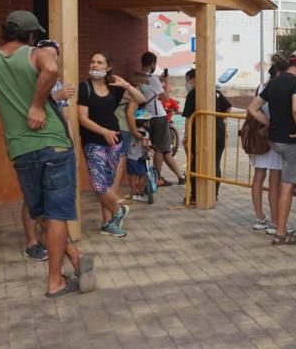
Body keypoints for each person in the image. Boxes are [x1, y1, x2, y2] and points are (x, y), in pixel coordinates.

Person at [0, 10, 94, 297]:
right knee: (57, 215)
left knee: (41, 213)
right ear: (30, 35)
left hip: (20, 150)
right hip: (54, 144)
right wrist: (38, 105)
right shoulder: (35, 54)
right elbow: (51, 69)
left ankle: (74, 256)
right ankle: (55, 282)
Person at [247, 49, 296, 246]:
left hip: (274, 140)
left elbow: (252, 108)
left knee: (276, 182)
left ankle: (274, 222)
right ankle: (281, 232)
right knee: (286, 186)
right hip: (291, 141)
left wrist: (267, 123)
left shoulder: (273, 82)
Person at [78, 52, 146, 237]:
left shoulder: (114, 87)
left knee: (108, 184)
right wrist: (103, 132)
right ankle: (119, 210)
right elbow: (82, 118)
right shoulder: (84, 88)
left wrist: (126, 85)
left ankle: (108, 224)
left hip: (114, 141)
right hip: (93, 141)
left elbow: (140, 99)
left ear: (108, 67)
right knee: (99, 185)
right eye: (92, 62)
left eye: (100, 62)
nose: (95, 65)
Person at [20, 38, 74, 261]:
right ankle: (31, 242)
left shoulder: (59, 83)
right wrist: (53, 97)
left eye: (54, 55)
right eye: (45, 54)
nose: (50, 59)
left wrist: (71, 144)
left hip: (58, 146)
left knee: (54, 199)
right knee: (32, 198)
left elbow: (66, 117)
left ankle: (51, 241)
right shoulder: (27, 81)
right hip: (32, 144)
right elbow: (27, 109)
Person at [182, 68, 232, 205]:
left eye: (187, 80)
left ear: (193, 79)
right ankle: (213, 194)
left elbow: (188, 117)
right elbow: (228, 108)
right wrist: (220, 120)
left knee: (194, 163)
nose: (187, 83)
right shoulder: (215, 92)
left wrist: (186, 136)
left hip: (199, 134)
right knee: (215, 162)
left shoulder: (193, 94)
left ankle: (195, 195)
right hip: (219, 133)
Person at [250, 58, 287, 234]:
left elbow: (253, 109)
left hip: (260, 139)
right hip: (275, 136)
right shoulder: (278, 88)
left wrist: (264, 125)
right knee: (274, 181)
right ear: (280, 73)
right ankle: (274, 221)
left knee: (258, 177)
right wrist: (270, 125)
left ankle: (259, 217)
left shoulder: (261, 87)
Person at [138, 52, 184, 186]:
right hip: (158, 116)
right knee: (160, 149)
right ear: (153, 63)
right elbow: (165, 97)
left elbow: (148, 90)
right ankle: (157, 179)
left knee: (163, 150)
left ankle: (179, 176)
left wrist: (159, 80)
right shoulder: (152, 79)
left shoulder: (137, 77)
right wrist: (166, 82)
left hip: (144, 116)